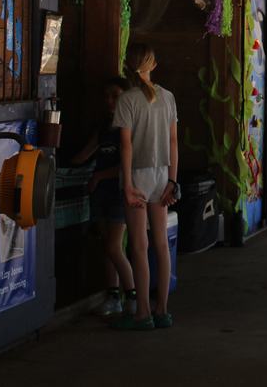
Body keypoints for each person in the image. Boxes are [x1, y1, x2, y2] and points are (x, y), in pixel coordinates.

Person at [113, 44, 179, 331]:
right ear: (153, 65)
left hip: (137, 175)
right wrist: (173, 181)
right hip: (163, 173)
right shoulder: (168, 98)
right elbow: (174, 142)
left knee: (139, 246)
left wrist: (127, 184)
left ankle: (142, 313)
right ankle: (162, 310)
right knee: (161, 244)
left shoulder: (126, 100)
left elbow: (125, 145)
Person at [70, 77, 135, 318]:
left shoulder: (128, 128)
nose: (110, 101)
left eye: (115, 96)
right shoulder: (104, 128)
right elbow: (84, 155)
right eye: (107, 96)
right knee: (107, 246)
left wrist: (99, 176)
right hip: (101, 194)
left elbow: (128, 165)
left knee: (113, 246)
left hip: (119, 193)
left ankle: (133, 295)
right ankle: (113, 296)